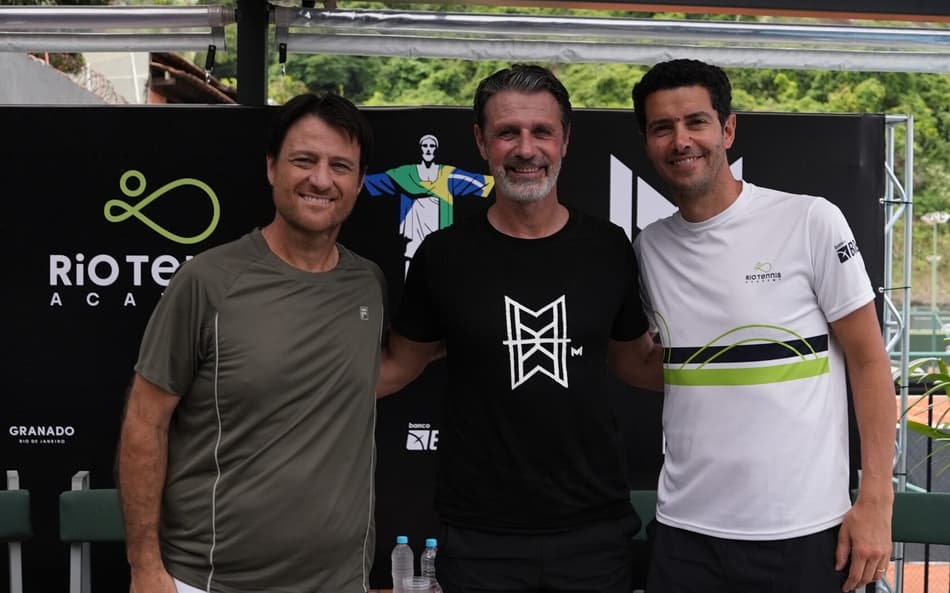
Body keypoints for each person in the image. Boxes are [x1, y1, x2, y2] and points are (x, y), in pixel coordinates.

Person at [377, 64, 663, 593]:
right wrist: (276, 389)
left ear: (565, 140)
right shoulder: (444, 254)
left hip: (594, 530)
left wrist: (751, 374)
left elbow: (633, 362)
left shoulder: (608, 246)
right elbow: (395, 365)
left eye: (542, 132)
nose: (525, 149)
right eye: (508, 132)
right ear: (481, 142)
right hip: (479, 536)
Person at [631, 58, 895, 593]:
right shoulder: (649, 247)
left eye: (696, 122)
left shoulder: (809, 220)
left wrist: (876, 503)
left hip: (805, 534)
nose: (681, 140)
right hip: (685, 537)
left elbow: (869, 361)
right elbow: (661, 364)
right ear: (648, 142)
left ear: (727, 129)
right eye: (663, 127)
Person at [117, 93, 385, 593]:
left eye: (340, 166)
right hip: (210, 581)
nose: (321, 179)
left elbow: (372, 374)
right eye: (304, 160)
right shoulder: (208, 280)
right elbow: (145, 422)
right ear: (271, 168)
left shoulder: (367, 284)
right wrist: (145, 566)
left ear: (359, 182)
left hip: (341, 582)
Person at [364, 132, 494, 276]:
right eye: (425, 146)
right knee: (412, 258)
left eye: (431, 146)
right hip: (414, 233)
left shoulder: (447, 175)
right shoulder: (406, 174)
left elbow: (480, 183)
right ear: (420, 148)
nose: (428, 149)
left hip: (439, 236)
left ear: (435, 149)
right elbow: (373, 182)